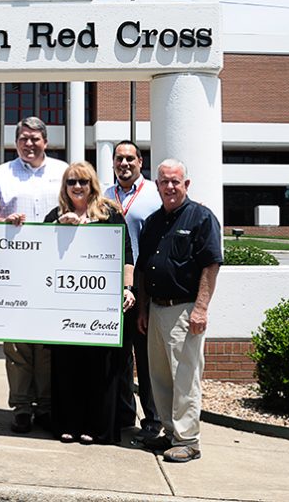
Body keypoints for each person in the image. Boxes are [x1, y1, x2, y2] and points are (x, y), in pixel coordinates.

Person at [0, 116, 68, 434]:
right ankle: (21, 407)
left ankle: (44, 407)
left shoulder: (62, 172)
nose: (29, 144)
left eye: (35, 138)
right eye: (23, 139)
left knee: (45, 343)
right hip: (13, 270)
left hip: (51, 269)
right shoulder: (2, 174)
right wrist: (2, 220)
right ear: (16, 142)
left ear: (46, 141)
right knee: (16, 343)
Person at [135, 159, 222, 463]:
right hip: (156, 310)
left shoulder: (202, 218)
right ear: (156, 185)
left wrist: (201, 308)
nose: (170, 187)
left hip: (185, 311)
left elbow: (211, 265)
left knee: (184, 378)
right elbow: (143, 270)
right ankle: (171, 434)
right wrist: (144, 309)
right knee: (160, 377)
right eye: (164, 182)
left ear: (186, 184)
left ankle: (189, 440)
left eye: (175, 181)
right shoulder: (153, 222)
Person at [44, 161, 135, 444]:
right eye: (71, 182)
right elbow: (39, 252)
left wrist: (127, 288)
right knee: (67, 368)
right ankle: (67, 425)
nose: (77, 187)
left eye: (83, 181)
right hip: (66, 307)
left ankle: (97, 428)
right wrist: (59, 227)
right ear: (65, 186)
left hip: (101, 308)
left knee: (100, 369)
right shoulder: (55, 215)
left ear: (92, 184)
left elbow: (127, 255)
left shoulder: (109, 215)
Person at [103, 140, 163, 439]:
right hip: (111, 287)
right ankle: (124, 413)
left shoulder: (154, 194)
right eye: (119, 159)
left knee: (146, 355)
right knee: (119, 355)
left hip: (143, 288)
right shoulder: (105, 195)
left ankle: (152, 418)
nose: (124, 164)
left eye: (129, 158)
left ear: (140, 161)